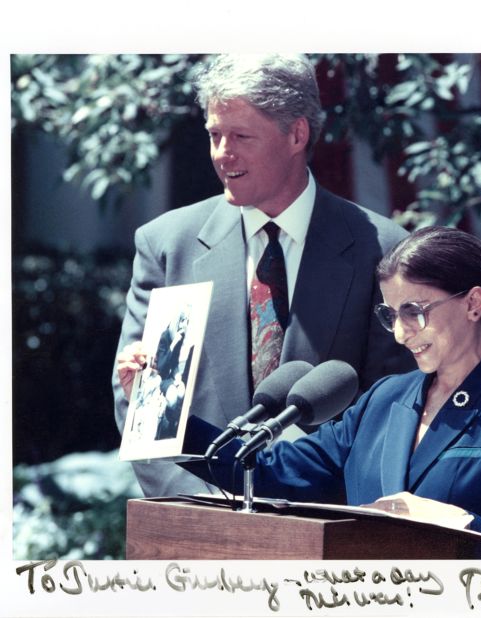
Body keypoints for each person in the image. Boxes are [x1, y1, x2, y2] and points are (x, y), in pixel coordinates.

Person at [114, 54, 413, 498]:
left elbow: (394, 407)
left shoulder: (383, 250)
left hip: (329, 528)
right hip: (198, 522)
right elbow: (140, 400)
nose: (222, 154)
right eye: (214, 135)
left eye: (240, 136)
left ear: (296, 134)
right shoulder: (166, 243)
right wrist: (207, 507)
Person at [187, 226, 481, 559]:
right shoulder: (385, 398)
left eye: (414, 312)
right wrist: (163, 418)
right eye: (391, 315)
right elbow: (271, 469)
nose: (401, 333)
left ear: (473, 304)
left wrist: (454, 524)